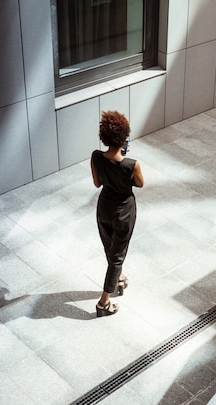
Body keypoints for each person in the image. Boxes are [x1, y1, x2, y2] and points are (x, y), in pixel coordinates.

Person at [90, 111, 144, 317]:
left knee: (110, 249)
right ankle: (104, 302)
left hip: (103, 208)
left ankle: (119, 277)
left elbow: (97, 183)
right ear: (123, 138)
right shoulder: (132, 164)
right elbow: (140, 183)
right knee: (117, 256)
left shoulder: (96, 156)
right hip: (124, 213)